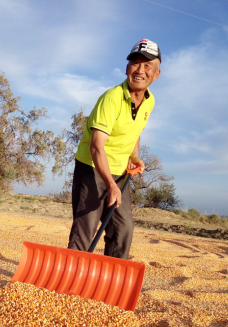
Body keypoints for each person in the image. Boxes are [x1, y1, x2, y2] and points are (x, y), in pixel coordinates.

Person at [67, 39, 162, 259]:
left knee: (123, 228)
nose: (140, 70)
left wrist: (134, 155)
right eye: (135, 63)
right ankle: (70, 285)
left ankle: (109, 279)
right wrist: (110, 184)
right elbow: (96, 147)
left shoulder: (149, 101)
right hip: (92, 168)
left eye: (147, 66)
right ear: (127, 67)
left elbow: (136, 129)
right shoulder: (111, 99)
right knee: (86, 228)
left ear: (156, 74)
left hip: (119, 171)